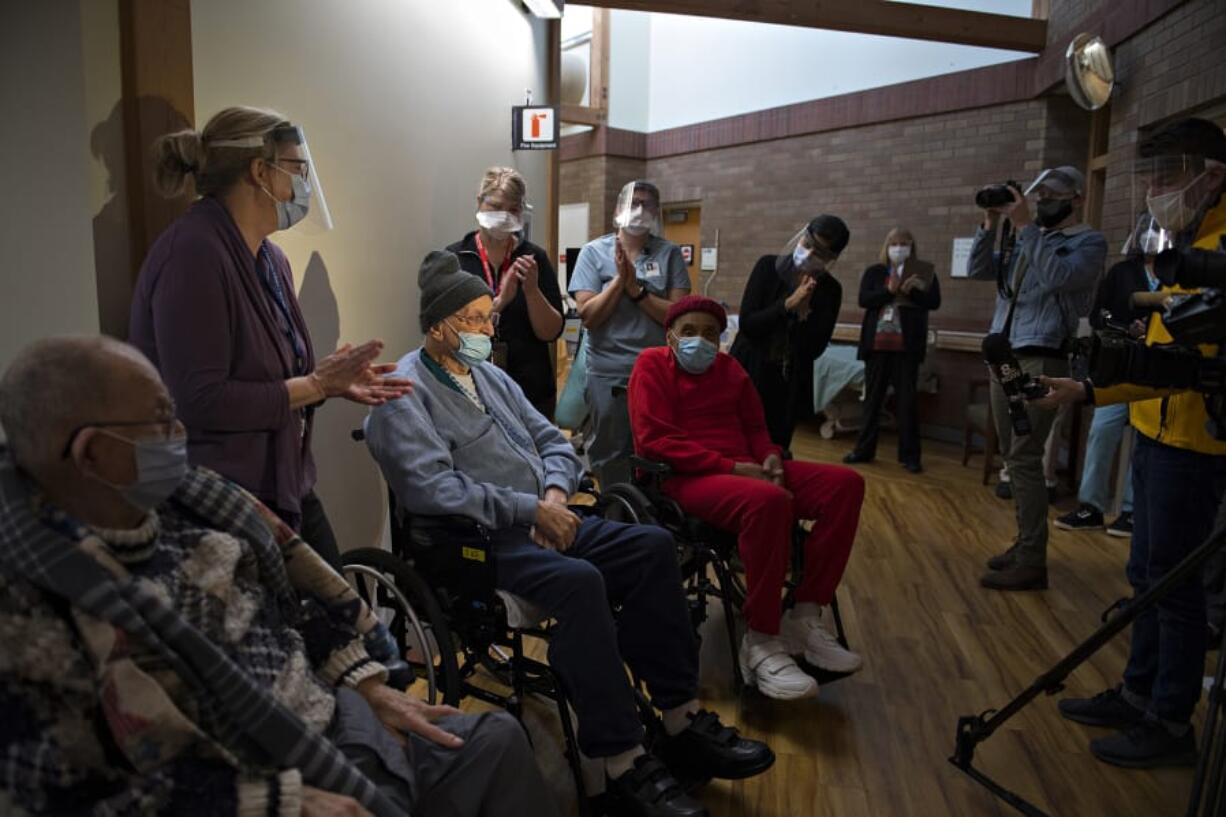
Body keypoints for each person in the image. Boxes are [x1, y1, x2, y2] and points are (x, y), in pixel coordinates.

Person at [0, 335, 551, 817]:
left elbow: (304, 599)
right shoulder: (31, 613)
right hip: (249, 773)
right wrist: (276, 802)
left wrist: (367, 684)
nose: (180, 433)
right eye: (160, 420)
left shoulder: (199, 507)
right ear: (93, 453)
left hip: (329, 709)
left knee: (498, 740)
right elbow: (81, 793)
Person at [365, 252, 774, 817]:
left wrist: (555, 497)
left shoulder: (489, 375)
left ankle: (678, 722)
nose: (489, 330)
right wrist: (529, 510)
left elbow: (555, 440)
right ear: (438, 325)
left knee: (653, 546)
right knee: (581, 584)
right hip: (479, 540)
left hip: (545, 515)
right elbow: (432, 490)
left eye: (489, 317)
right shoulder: (403, 395)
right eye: (476, 320)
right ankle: (623, 760)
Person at [128, 106, 411, 570]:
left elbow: (277, 377)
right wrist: (316, 385)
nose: (303, 186)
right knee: (325, 627)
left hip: (282, 481)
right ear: (260, 172)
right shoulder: (194, 254)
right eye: (297, 169)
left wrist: (331, 382)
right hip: (219, 498)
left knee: (341, 620)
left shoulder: (271, 260)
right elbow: (200, 399)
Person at [1039, 118, 1226, 768]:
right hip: (1155, 433)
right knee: (1145, 575)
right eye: (1149, 175)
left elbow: (1187, 364)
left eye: (1166, 175)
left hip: (1196, 447)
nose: (1152, 189)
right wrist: (1087, 392)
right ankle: (1137, 689)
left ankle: (1170, 719)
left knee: (1174, 587)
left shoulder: (1218, 250)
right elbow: (1154, 365)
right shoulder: (1187, 239)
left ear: (1212, 174)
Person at [628, 295, 864, 700]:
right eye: (689, 332)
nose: (699, 341)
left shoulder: (731, 369)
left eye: (710, 334)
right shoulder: (651, 365)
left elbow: (756, 427)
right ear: (670, 337)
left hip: (746, 468)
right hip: (687, 477)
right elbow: (655, 442)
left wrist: (770, 457)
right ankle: (760, 640)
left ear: (721, 339)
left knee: (846, 486)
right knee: (769, 502)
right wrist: (733, 468)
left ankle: (805, 615)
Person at [969, 164, 1107, 591]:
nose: (1042, 200)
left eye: (1052, 194)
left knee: (1026, 456)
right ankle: (1026, 543)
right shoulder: (1026, 238)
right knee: (1015, 456)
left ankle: (1032, 559)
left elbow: (1060, 278)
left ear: (1077, 198)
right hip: (1005, 353)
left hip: (1044, 357)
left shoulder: (1089, 241)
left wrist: (1026, 225)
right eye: (1037, 194)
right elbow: (979, 270)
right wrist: (990, 224)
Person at [569, 180, 690, 486]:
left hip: (657, 371)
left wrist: (637, 291)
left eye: (647, 204)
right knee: (610, 451)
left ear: (656, 212)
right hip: (608, 373)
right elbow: (589, 316)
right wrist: (619, 282)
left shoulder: (669, 254)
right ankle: (615, 515)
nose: (639, 209)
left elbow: (678, 316)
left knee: (656, 450)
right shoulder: (593, 253)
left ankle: (652, 519)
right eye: (633, 202)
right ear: (618, 209)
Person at [1054, 225, 1165, 536]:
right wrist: (1127, 327)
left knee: (1144, 437)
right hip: (1121, 364)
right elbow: (1098, 313)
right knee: (1102, 431)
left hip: (1160, 369)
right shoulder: (1123, 272)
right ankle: (1091, 506)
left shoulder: (1177, 271)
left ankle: (1131, 510)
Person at [447, 167, 564, 419]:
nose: (503, 216)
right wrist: (500, 302)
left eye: (512, 209)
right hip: (471, 389)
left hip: (529, 392)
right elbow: (448, 333)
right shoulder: (455, 259)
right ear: (479, 203)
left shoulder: (535, 258)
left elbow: (551, 331)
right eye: (496, 206)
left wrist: (532, 291)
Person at [730, 215, 849, 449]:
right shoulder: (768, 267)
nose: (808, 253)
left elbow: (815, 348)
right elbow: (749, 324)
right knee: (736, 441)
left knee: (776, 446)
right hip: (750, 369)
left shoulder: (830, 290)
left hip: (787, 381)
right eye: (807, 244)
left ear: (831, 259)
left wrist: (804, 316)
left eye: (819, 253)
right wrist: (786, 306)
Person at [844, 227, 941, 472]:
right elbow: (864, 300)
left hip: (906, 348)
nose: (899, 247)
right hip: (877, 346)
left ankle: (910, 456)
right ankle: (863, 450)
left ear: (912, 246)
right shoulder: (875, 272)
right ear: (887, 246)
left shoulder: (922, 271)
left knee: (907, 402)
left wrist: (914, 291)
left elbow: (934, 302)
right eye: (894, 243)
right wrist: (888, 290)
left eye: (904, 243)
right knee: (872, 400)